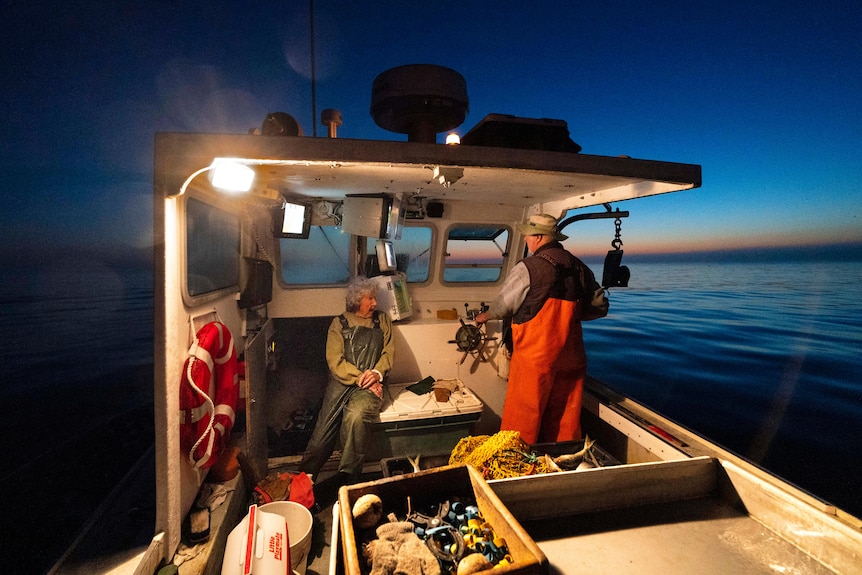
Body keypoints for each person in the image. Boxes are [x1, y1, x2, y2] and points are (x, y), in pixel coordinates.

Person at [475, 214, 608, 444]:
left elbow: (503, 306)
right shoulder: (579, 267)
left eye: (527, 235)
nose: (526, 239)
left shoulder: (529, 267)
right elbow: (599, 307)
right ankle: (562, 460)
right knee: (565, 417)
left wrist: (484, 316)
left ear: (537, 237)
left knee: (523, 418)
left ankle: (516, 466)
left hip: (536, 359)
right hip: (572, 357)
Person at [299, 276, 395, 486]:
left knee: (355, 417)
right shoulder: (338, 324)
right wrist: (362, 377)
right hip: (342, 382)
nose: (375, 303)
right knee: (321, 435)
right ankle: (304, 480)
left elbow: (388, 353)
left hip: (370, 385)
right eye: (370, 299)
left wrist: (377, 374)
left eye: (374, 299)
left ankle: (348, 477)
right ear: (357, 300)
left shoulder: (383, 320)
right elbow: (335, 361)